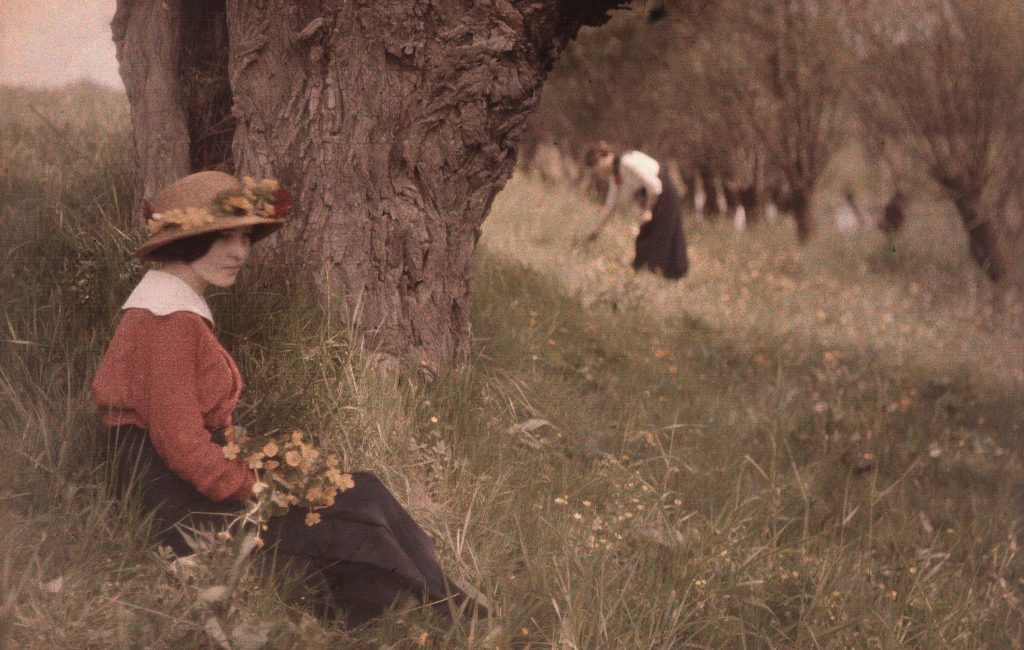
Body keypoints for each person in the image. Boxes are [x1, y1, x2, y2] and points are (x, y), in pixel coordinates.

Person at [92, 171, 484, 628]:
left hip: (189, 482)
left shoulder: (174, 309)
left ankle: (451, 606)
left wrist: (270, 465)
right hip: (175, 503)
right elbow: (181, 446)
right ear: (184, 243)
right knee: (352, 523)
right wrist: (260, 489)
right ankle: (447, 618)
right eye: (223, 238)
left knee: (364, 489)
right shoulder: (168, 321)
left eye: (244, 237)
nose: (240, 252)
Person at [583, 142, 688, 279]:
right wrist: (596, 230)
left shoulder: (626, 162)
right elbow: (611, 204)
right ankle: (648, 277)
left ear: (606, 156)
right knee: (646, 239)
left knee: (661, 238)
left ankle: (666, 277)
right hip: (655, 196)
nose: (598, 170)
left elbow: (655, 185)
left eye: (597, 164)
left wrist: (648, 210)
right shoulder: (616, 173)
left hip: (663, 195)